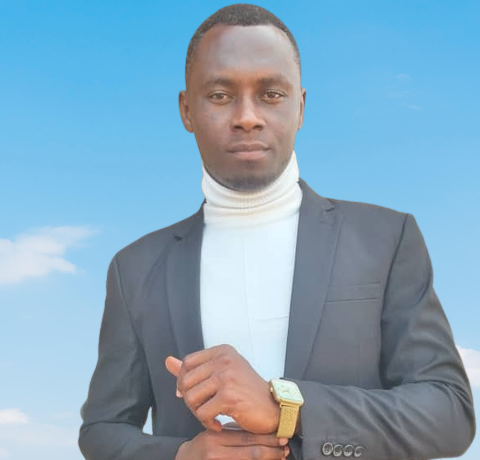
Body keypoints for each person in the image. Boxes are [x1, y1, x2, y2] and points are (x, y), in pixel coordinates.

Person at [78, 4, 475, 460]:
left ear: (300, 106)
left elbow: (449, 414)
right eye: (220, 95)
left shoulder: (386, 240)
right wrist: (183, 455)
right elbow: (102, 430)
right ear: (187, 110)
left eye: (271, 94)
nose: (248, 116)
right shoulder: (134, 269)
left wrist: (287, 407)